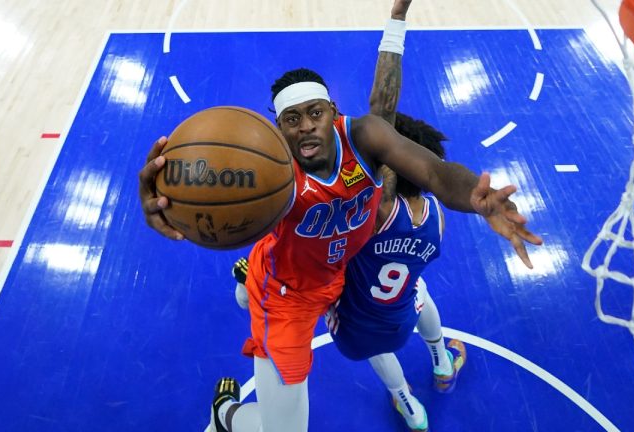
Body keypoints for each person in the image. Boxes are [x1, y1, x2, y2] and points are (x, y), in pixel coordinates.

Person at [137, 1, 543, 431]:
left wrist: (475, 198)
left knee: (403, 301)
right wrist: (167, 206)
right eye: (291, 119)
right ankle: (228, 414)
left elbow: (435, 172)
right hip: (287, 293)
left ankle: (250, 287)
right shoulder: (266, 169)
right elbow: (203, 189)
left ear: (333, 110)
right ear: (277, 127)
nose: (306, 126)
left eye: (315, 113)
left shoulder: (364, 137)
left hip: (341, 272)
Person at [234, 112, 461, 432]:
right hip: (401, 311)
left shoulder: (371, 213)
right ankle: (441, 362)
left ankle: (410, 407)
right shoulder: (436, 217)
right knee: (418, 287)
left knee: (373, 345)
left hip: (352, 323)